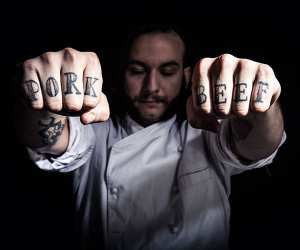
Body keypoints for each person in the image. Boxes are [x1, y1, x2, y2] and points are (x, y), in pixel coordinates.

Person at [14, 25, 286, 250]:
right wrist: (41, 102)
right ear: (121, 74)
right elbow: (46, 138)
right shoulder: (94, 128)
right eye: (138, 70)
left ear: (186, 75)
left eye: (167, 71)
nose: (151, 87)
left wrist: (261, 105)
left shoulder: (208, 132)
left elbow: (259, 144)